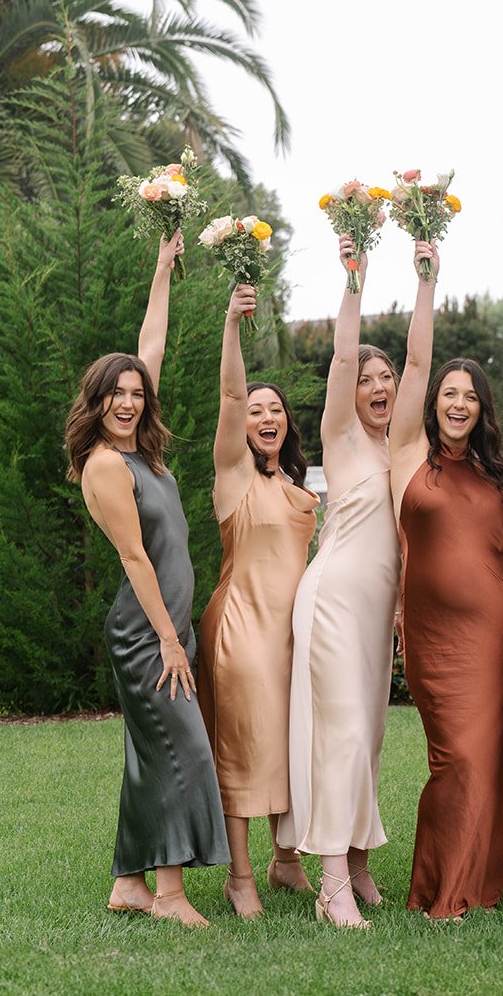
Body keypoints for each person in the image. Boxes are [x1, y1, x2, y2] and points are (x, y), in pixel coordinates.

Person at [64, 231, 228, 928]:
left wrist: (163, 269)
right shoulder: (106, 465)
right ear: (96, 401)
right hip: (145, 630)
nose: (128, 402)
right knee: (182, 749)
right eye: (116, 394)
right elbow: (136, 559)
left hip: (165, 625)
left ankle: (129, 883)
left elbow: (148, 343)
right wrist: (169, 639)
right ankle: (168, 892)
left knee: (149, 749)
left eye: (135, 393)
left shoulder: (141, 449)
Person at [390, 240, 503, 920]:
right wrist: (428, 279)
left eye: (469, 396)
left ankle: (480, 882)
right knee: (459, 757)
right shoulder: (409, 455)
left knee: (491, 755)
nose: (457, 403)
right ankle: (439, 891)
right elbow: (415, 359)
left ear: (481, 408)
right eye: (449, 393)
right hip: (437, 642)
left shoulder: (497, 475)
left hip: (501, 629)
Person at [274, 236, 400, 930]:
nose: (377, 387)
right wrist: (356, 276)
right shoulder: (343, 436)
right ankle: (329, 884)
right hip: (332, 600)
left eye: (388, 379)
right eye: (366, 379)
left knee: (370, 734)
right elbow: (345, 351)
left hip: (376, 610)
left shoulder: (399, 446)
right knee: (342, 733)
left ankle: (355, 859)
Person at [196, 281, 321, 918]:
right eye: (256, 411)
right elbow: (229, 393)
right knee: (244, 744)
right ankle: (239, 876)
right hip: (242, 629)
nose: (265, 417)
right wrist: (232, 326)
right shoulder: (234, 476)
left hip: (292, 635)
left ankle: (285, 860)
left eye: (276, 411)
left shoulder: (299, 489)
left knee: (291, 740)